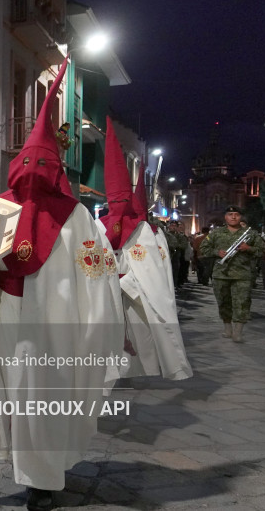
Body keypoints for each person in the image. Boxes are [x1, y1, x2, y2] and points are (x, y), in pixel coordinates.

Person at [0, 58, 122, 511]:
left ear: (54, 171)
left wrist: (96, 325)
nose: (32, 174)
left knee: (42, 396)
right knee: (10, 393)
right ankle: (26, 465)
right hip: (5, 317)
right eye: (26, 165)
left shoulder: (77, 217)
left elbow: (95, 274)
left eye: (41, 166)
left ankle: (42, 479)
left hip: (52, 326)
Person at [97, 117, 192, 381]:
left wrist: (124, 283)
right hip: (104, 292)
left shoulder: (147, 232)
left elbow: (153, 272)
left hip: (133, 293)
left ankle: (133, 370)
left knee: (137, 334)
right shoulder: (97, 225)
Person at [200, 205, 265, 342]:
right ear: (225, 217)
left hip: (243, 274)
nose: (234, 217)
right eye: (230, 215)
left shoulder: (251, 234)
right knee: (223, 302)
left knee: (242, 302)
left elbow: (263, 250)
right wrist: (217, 252)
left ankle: (238, 332)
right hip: (221, 274)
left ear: (240, 217)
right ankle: (227, 328)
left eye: (236, 214)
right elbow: (204, 248)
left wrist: (248, 248)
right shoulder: (216, 233)